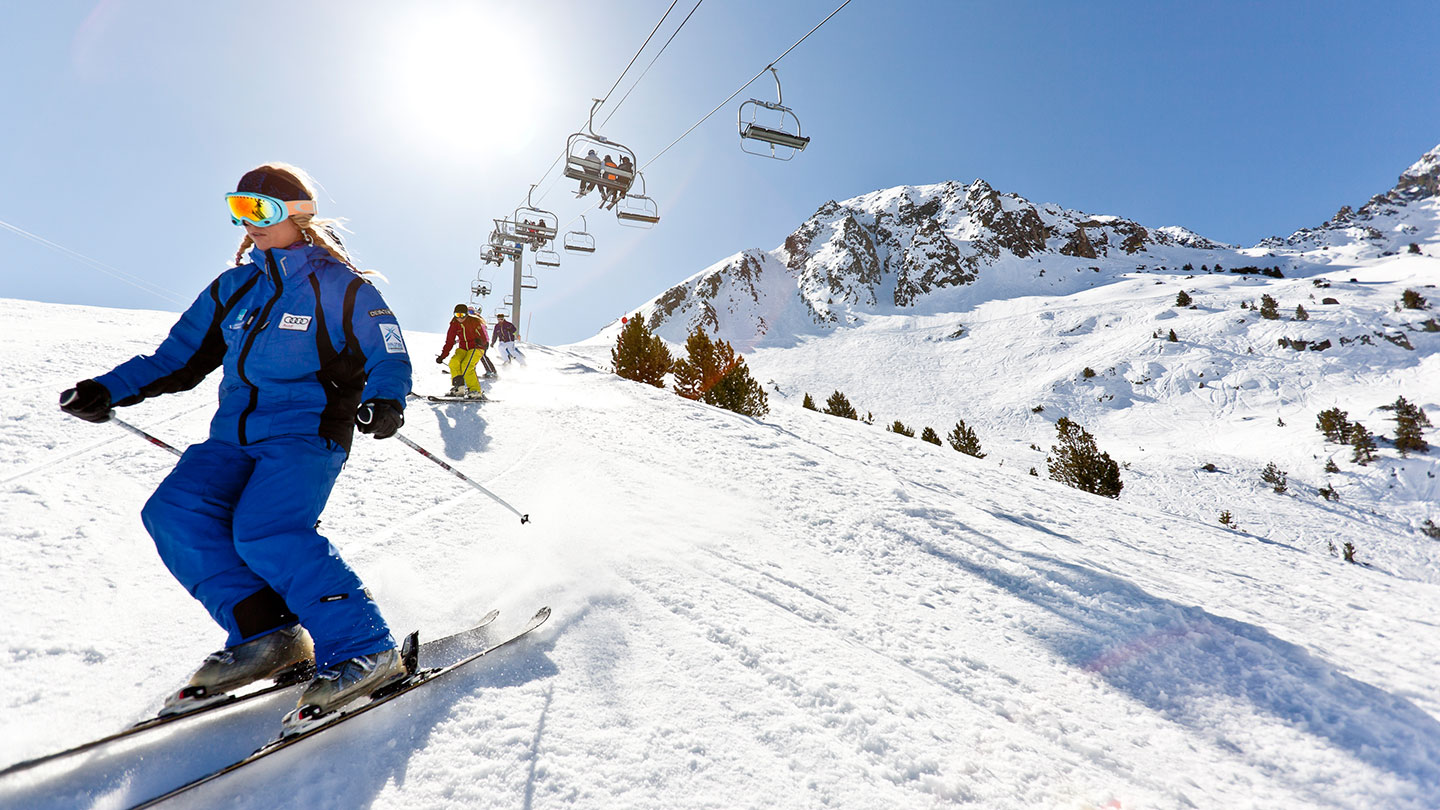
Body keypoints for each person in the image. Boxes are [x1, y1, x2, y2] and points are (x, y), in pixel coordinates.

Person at [58, 163, 413, 732]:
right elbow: (177, 359)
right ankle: (267, 633)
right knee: (174, 514)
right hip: (231, 439)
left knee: (266, 529)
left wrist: (387, 399)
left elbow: (388, 352)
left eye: (262, 210)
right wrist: (108, 389)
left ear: (300, 215)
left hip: (304, 436)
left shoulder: (341, 286)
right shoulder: (234, 287)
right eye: (239, 209)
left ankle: (364, 648)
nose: (248, 224)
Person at [436, 304, 490, 397]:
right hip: (463, 348)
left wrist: (481, 342)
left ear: (467, 314)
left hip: (476, 347)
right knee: (454, 362)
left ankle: (475, 391)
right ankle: (459, 388)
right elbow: (449, 341)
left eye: (462, 315)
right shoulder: (454, 323)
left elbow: (484, 336)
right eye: (457, 315)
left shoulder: (474, 321)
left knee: (467, 366)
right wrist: (442, 356)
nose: (459, 318)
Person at [469, 308, 500, 378]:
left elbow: (482, 333)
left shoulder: (477, 320)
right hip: (478, 342)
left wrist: (482, 342)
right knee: (478, 356)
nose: (469, 313)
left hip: (483, 342)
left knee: (482, 356)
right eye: (468, 312)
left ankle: (492, 371)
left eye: (470, 312)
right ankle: (471, 370)